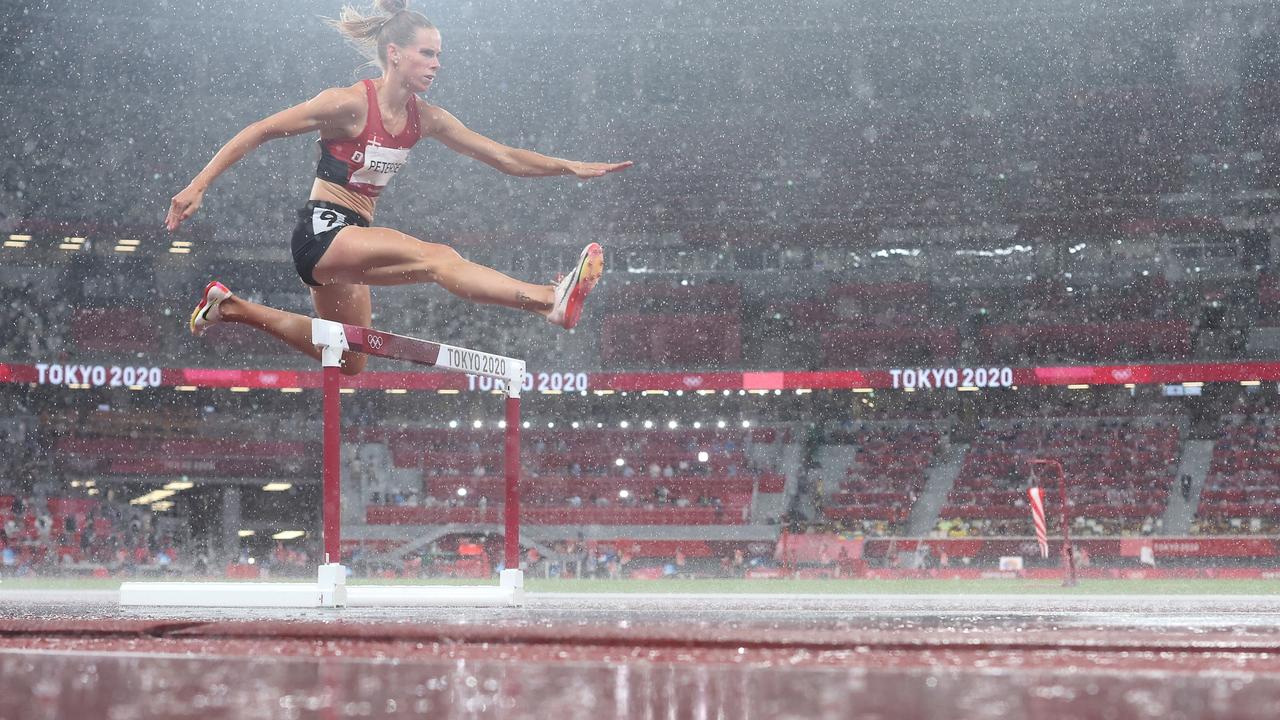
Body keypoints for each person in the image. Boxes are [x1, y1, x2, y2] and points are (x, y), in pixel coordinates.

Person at [165, 0, 631, 373]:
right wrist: (198, 185)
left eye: (439, 55)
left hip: (351, 241)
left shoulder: (426, 118)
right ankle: (549, 300)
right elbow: (261, 128)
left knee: (351, 358)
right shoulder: (347, 104)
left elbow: (503, 156)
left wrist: (569, 167)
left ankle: (230, 308)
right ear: (395, 54)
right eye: (426, 54)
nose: (436, 64)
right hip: (324, 230)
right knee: (440, 257)